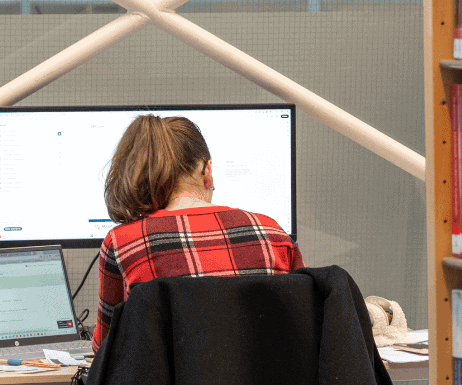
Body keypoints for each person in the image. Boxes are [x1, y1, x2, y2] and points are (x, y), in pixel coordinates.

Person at [90, 114, 303, 352]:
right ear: (207, 171)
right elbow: (302, 326)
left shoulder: (124, 243)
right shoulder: (273, 233)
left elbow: (105, 349)